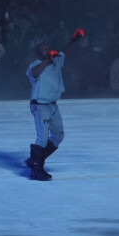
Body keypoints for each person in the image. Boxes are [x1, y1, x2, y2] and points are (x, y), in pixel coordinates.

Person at [25, 28, 84, 181]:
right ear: (38, 54)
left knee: (58, 136)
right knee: (42, 137)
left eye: (47, 48)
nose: (46, 50)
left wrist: (74, 40)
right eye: (42, 50)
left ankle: (35, 159)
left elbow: (66, 52)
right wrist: (47, 60)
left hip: (52, 105)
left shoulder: (56, 60)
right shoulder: (35, 65)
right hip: (39, 105)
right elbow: (35, 74)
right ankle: (36, 170)